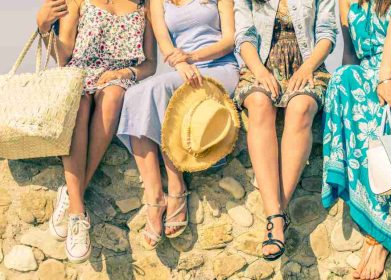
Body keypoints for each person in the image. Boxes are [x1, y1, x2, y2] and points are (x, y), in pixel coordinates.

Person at [36, 0, 157, 263]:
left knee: (112, 96)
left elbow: (150, 64)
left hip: (117, 77)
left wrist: (126, 71)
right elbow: (64, 54)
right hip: (79, 74)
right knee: (77, 103)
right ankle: (77, 212)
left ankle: (71, 194)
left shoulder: (145, 6)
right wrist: (44, 27)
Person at [117, 0, 239, 249]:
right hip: (184, 69)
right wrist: (182, 63)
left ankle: (176, 185)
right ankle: (154, 197)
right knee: (135, 95)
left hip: (220, 68)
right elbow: (166, 46)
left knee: (162, 90)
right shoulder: (158, 2)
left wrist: (192, 57)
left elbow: (230, 39)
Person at [322, 0, 391, 278]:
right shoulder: (346, 1)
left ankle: (383, 233)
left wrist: (386, 78)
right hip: (371, 71)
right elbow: (350, 53)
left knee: (386, 109)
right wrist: (344, 91)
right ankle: (359, 194)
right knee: (342, 79)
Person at [234, 0, 336, 261]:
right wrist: (259, 70)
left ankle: (274, 217)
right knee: (258, 103)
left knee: (301, 107)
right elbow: (243, 35)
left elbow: (326, 33)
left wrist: (308, 67)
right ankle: (277, 217)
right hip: (261, 65)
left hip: (307, 66)